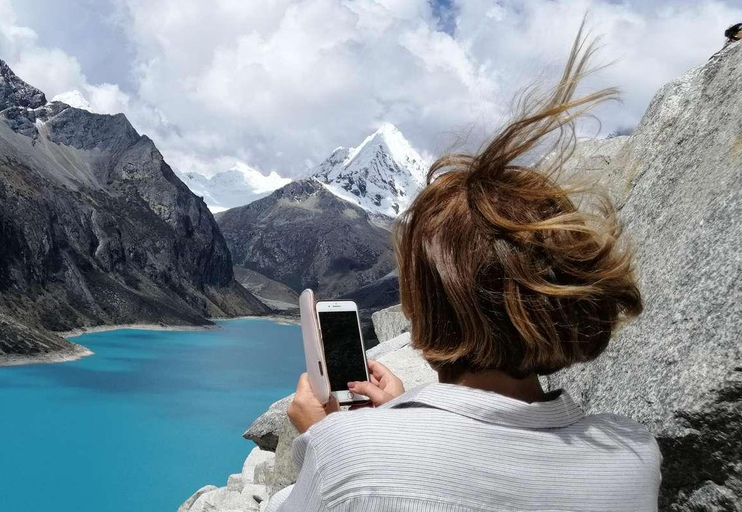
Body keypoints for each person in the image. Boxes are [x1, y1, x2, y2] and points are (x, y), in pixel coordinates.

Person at [268, 25, 662, 512]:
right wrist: (396, 417)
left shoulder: (351, 456)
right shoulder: (634, 454)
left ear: (424, 307)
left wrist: (325, 439)